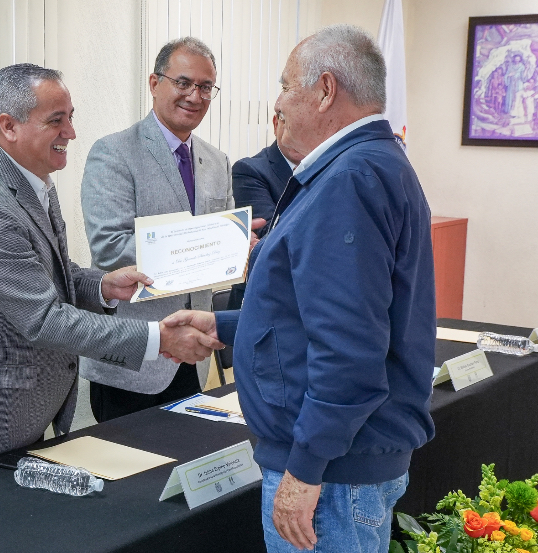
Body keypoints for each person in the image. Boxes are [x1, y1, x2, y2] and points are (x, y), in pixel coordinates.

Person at [164, 25, 436, 552]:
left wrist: (306, 466)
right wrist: (224, 325)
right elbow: (317, 313)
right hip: (345, 461)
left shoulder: (348, 179)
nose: (278, 102)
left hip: (333, 472)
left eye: (287, 86)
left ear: (326, 90)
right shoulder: (370, 165)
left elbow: (348, 347)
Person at [0, 63, 222, 472]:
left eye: (70, 117)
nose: (71, 133)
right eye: (56, 121)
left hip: (24, 408)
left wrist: (102, 286)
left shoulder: (32, 179)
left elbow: (51, 272)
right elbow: (45, 319)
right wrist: (159, 339)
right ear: (9, 126)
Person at [80, 38, 234, 422]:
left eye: (205, 87)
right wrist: (205, 245)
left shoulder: (217, 161)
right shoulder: (114, 152)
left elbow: (222, 244)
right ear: (154, 83)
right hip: (134, 358)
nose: (194, 96)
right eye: (183, 83)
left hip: (194, 354)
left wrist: (237, 243)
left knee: (185, 456)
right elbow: (110, 247)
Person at [228, 113, 304, 308]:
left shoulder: (327, 169)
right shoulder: (249, 170)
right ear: (276, 123)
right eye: (293, 125)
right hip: (263, 299)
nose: (299, 134)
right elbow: (271, 233)